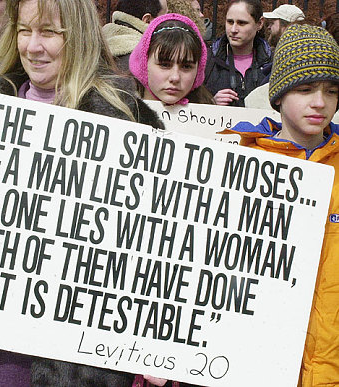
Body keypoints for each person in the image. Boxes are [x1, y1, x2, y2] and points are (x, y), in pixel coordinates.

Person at [0, 0, 165, 385]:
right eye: (25, 31)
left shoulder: (125, 121)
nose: (33, 46)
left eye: (48, 32)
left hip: (82, 357)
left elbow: (154, 245)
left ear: (77, 36)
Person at [224, 24, 339, 386]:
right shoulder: (238, 161)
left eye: (332, 91)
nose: (320, 103)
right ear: (278, 95)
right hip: (254, 368)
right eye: (305, 89)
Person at [129, 13, 214, 105]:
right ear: (144, 64)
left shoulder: (213, 115)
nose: (175, 77)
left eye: (186, 66)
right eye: (165, 65)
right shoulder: (118, 113)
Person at [204, 0, 272, 106]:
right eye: (230, 22)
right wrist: (211, 103)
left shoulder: (273, 62)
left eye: (242, 23)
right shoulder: (208, 60)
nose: (233, 29)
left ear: (259, 23)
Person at [102, 0, 169, 71]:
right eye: (164, 17)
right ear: (147, 20)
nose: (168, 22)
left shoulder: (99, 41)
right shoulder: (143, 58)